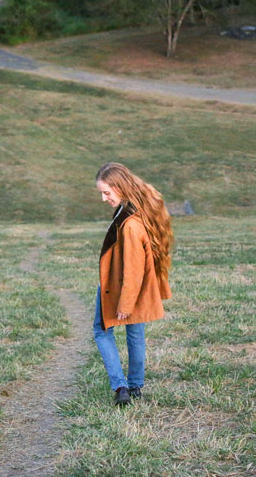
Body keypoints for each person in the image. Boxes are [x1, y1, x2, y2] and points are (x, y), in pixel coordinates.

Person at [94, 162, 173, 406]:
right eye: (101, 193)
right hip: (131, 288)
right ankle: (136, 385)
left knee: (101, 330)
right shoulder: (133, 211)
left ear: (121, 187)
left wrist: (125, 302)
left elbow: (134, 268)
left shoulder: (130, 223)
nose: (104, 198)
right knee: (135, 334)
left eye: (107, 192)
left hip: (122, 288)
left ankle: (121, 386)